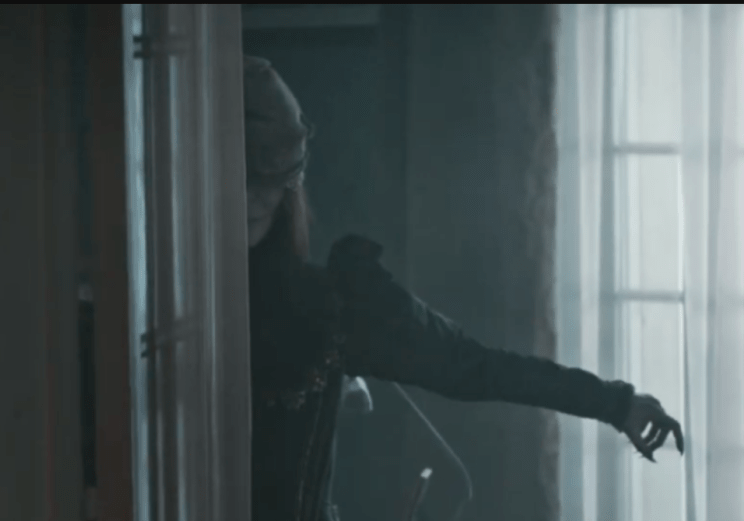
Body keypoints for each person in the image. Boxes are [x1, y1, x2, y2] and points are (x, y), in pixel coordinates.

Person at [241, 55, 684, 521]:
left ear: (289, 184)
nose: (249, 194)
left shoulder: (332, 306)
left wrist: (614, 402)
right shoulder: (202, 309)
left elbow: (473, 367)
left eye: (263, 176)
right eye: (241, 173)